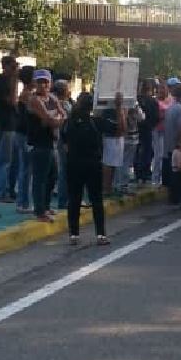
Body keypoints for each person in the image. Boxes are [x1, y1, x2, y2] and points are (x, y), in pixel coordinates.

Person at [61, 92, 110, 246]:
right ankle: (100, 234)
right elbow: (120, 128)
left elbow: (64, 143)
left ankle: (73, 234)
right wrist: (120, 105)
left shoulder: (68, 123)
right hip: (93, 165)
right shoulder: (96, 122)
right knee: (96, 200)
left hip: (74, 164)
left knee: (74, 199)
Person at [27, 69, 66, 223]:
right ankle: (39, 211)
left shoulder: (52, 98)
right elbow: (49, 120)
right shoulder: (35, 100)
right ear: (35, 83)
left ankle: (46, 205)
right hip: (38, 143)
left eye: (46, 82)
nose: (43, 85)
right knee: (40, 179)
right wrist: (53, 119)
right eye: (40, 82)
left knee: (52, 176)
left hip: (51, 143)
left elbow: (63, 115)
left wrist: (54, 119)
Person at [0, 55, 20, 203]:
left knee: (15, 161)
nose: (15, 69)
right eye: (12, 66)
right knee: (4, 160)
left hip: (14, 124)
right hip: (5, 123)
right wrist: (14, 80)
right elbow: (12, 101)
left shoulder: (11, 81)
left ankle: (11, 189)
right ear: (5, 66)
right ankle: (2, 192)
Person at [14, 66, 36, 214]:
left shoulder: (27, 94)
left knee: (26, 168)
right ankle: (23, 202)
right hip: (24, 134)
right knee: (26, 169)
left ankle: (23, 201)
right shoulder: (27, 95)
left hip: (23, 133)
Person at [163, 83, 181, 204]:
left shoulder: (170, 108)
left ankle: (171, 197)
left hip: (167, 144)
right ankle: (177, 198)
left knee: (170, 170)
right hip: (176, 145)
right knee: (178, 173)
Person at [101, 93, 127, 197]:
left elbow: (122, 129)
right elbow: (121, 129)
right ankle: (106, 188)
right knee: (108, 164)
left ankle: (109, 187)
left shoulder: (122, 109)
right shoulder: (107, 111)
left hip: (116, 139)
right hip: (110, 138)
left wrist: (120, 108)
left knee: (112, 164)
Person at [53, 79, 72, 209]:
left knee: (64, 171)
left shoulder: (64, 103)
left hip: (63, 141)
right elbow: (65, 124)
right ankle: (63, 201)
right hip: (63, 141)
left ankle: (64, 199)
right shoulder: (62, 105)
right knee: (64, 171)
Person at [135, 79, 159, 184]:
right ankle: (145, 172)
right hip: (148, 129)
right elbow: (156, 117)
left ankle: (138, 172)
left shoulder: (137, 100)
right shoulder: (153, 101)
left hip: (138, 129)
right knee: (147, 151)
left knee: (138, 151)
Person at [118, 100, 144, 194]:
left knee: (122, 161)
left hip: (123, 137)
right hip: (131, 138)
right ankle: (123, 185)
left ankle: (120, 184)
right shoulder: (133, 102)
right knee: (126, 162)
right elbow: (141, 117)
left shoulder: (119, 102)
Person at [152, 80, 173, 185]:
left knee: (165, 155)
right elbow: (156, 116)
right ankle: (155, 178)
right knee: (158, 155)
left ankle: (163, 178)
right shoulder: (155, 102)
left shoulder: (171, 101)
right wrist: (164, 116)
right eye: (160, 89)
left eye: (164, 89)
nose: (162, 91)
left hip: (168, 131)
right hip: (157, 130)